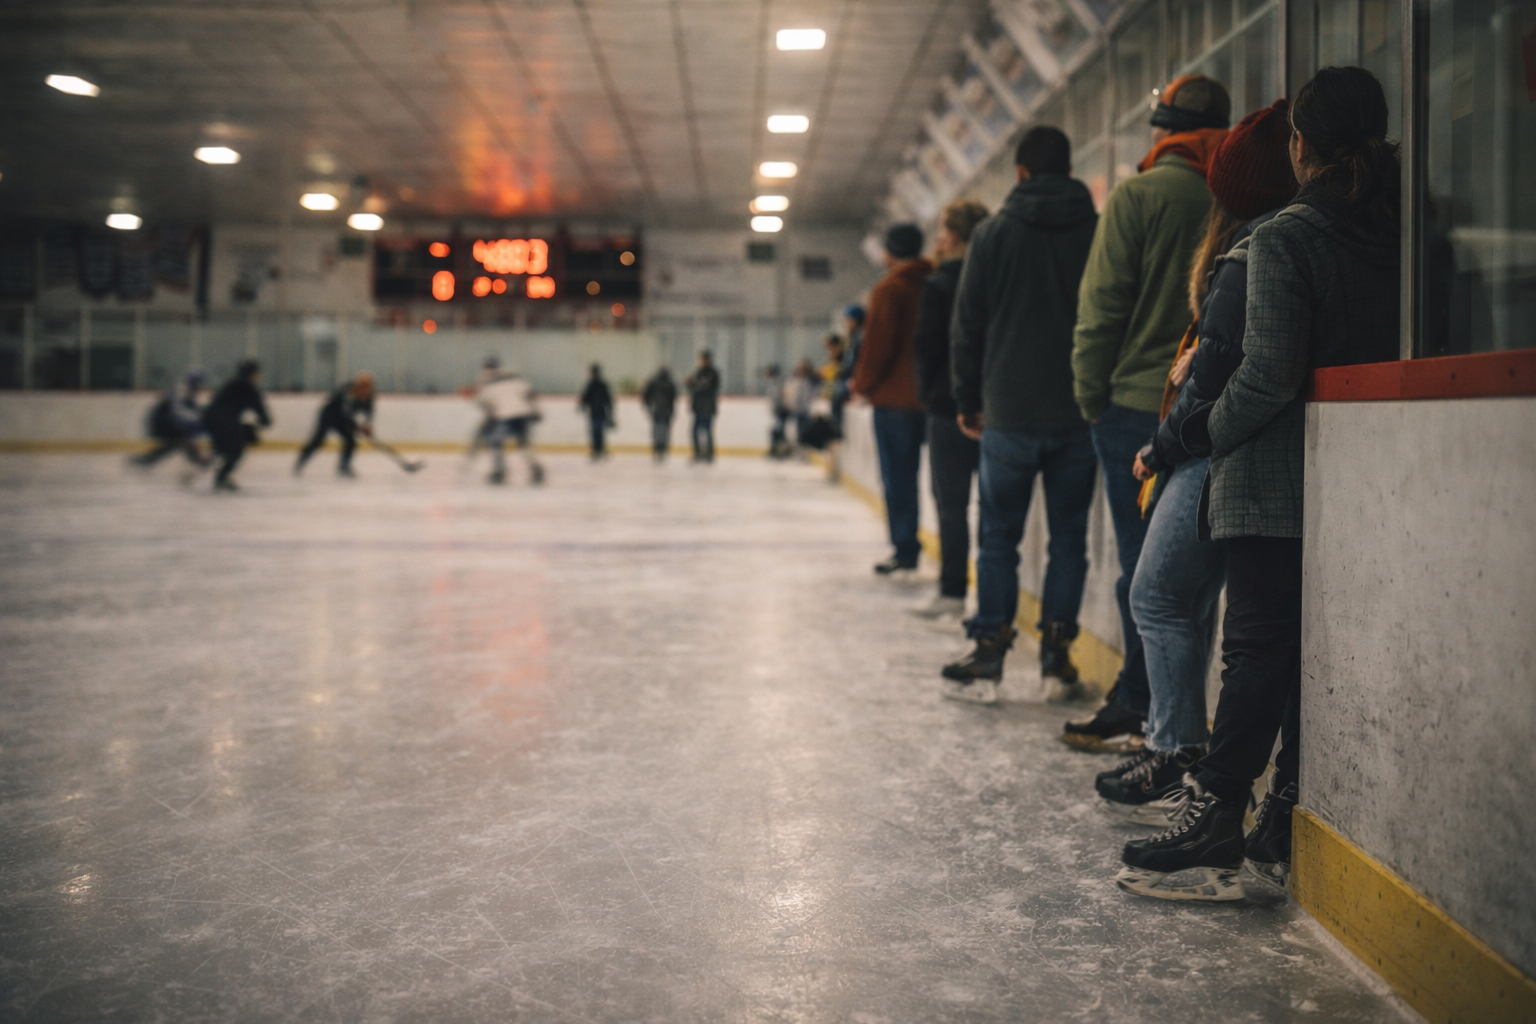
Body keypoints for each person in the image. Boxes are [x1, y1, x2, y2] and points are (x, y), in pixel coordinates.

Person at [1118, 67, 1402, 902]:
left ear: (1301, 146)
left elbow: (1266, 373)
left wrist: (1196, 433)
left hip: (1268, 475)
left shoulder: (1280, 238)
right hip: (1355, 478)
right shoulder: (1394, 228)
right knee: (1291, 653)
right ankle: (1277, 810)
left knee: (1256, 648)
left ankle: (1217, 815)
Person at [1096, 100, 1297, 824]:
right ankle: (1177, 743)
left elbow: (1213, 379)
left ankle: (1178, 747)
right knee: (1179, 603)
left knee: (1155, 595)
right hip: (1216, 451)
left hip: (1206, 452)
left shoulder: (1245, 258)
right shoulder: (1254, 250)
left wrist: (1160, 446)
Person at [1066, 74, 1231, 750]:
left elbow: (1101, 308)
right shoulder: (1234, 196)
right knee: (1190, 585)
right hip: (1211, 404)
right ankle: (1166, 714)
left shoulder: (1137, 196)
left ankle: (1145, 711)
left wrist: (1088, 396)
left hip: (1136, 404)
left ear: (1163, 132)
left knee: (1143, 573)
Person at [940, 129, 1100, 704]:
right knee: (1068, 540)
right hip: (1078, 412)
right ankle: (1056, 656)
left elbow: (967, 326)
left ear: (1021, 173)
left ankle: (989, 649)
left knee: (998, 537)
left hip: (1006, 412)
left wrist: (967, 400)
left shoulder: (992, 235)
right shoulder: (1096, 228)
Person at [909, 199, 989, 624]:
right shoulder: (996, 276)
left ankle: (953, 590)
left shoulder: (941, 283)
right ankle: (991, 603)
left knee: (950, 502)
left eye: (941, 233)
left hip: (947, 406)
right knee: (990, 506)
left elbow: (926, 347)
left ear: (954, 236)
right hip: (993, 404)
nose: (937, 241)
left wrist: (930, 393)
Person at [851, 223, 931, 577]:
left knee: (897, 477)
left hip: (895, 401)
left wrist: (861, 384)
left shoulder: (889, 289)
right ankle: (911, 544)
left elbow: (877, 346)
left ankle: (905, 547)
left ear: (890, 251)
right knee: (921, 477)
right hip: (929, 398)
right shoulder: (933, 283)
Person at [202, 359, 270, 492]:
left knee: (224, 449)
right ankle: (221, 477)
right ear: (252, 374)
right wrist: (261, 423)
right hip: (223, 421)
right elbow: (263, 415)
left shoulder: (231, 383)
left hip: (210, 419)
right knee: (237, 448)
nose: (259, 376)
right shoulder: (249, 388)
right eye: (257, 373)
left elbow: (215, 401)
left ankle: (207, 466)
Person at [476, 357, 545, 486]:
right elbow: (530, 394)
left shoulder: (487, 383)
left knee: (495, 441)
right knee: (523, 443)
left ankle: (499, 471)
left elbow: (484, 403)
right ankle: (536, 469)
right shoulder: (513, 378)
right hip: (522, 415)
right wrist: (536, 410)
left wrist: (489, 419)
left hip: (506, 416)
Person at [294, 372, 375, 478]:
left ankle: (344, 466)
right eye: (362, 387)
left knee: (350, 441)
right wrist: (358, 427)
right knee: (318, 441)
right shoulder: (348, 391)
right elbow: (345, 411)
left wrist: (366, 426)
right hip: (329, 415)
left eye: (367, 387)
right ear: (357, 385)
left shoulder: (369, 397)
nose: (365, 390)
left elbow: (369, 414)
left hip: (343, 419)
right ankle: (301, 461)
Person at [132, 367, 209, 473]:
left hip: (167, 420)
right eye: (197, 384)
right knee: (179, 438)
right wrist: (197, 417)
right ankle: (197, 459)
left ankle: (146, 460)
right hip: (161, 421)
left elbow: (188, 409)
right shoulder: (181, 389)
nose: (198, 388)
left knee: (176, 441)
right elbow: (178, 410)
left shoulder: (185, 390)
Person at [684, 350, 720, 463]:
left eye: (702, 359)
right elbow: (694, 388)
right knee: (695, 431)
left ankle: (709, 454)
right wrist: (690, 384)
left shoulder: (713, 373)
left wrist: (695, 385)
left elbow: (707, 388)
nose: (701, 362)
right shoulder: (698, 372)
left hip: (707, 407)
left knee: (707, 431)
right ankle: (698, 453)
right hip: (698, 407)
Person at [578, 363, 614, 461]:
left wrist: (610, 411)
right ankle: (596, 450)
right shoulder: (591, 385)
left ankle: (600, 450)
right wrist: (582, 405)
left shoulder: (602, 385)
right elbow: (586, 398)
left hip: (601, 413)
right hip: (594, 413)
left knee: (599, 432)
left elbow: (608, 399)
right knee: (595, 432)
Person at [641, 366, 678, 461]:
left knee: (658, 430)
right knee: (663, 430)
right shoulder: (669, 383)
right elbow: (674, 397)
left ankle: (658, 448)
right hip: (664, 410)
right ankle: (661, 448)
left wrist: (648, 404)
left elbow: (646, 395)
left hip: (658, 409)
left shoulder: (655, 382)